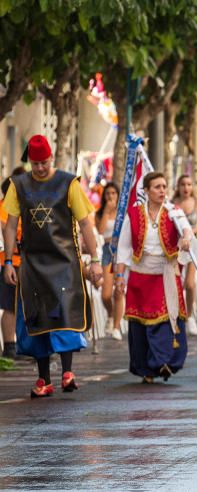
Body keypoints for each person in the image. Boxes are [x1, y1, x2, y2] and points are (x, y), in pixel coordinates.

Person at [3, 135, 103, 398]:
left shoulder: (68, 183)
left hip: (64, 261)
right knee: (36, 319)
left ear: (52, 158)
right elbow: (11, 225)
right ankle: (43, 379)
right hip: (32, 264)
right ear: (29, 162)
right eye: (35, 164)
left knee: (64, 316)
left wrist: (94, 260)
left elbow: (85, 224)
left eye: (44, 163)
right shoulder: (18, 185)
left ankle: (68, 373)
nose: (40, 169)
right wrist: (8, 261)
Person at [115, 172, 194, 383]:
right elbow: (123, 247)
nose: (162, 191)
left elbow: (187, 230)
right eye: (157, 187)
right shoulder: (133, 215)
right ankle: (146, 369)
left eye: (164, 186)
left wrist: (185, 239)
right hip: (141, 275)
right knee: (141, 324)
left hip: (166, 274)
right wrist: (120, 275)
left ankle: (164, 362)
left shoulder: (173, 212)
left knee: (168, 320)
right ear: (147, 191)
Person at [172, 174, 197, 336]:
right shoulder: (173, 205)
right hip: (176, 247)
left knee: (190, 284)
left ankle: (190, 316)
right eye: (183, 184)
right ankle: (176, 316)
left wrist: (189, 231)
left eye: (189, 184)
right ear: (178, 187)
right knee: (174, 283)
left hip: (192, 246)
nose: (186, 188)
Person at [0, 167, 25, 359]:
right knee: (9, 305)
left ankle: (27, 344)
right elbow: (4, 229)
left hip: (26, 262)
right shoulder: (3, 207)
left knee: (25, 305)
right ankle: (9, 346)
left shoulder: (24, 208)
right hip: (9, 262)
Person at [96, 183, 125, 340]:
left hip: (122, 251)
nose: (111, 196)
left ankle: (116, 327)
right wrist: (107, 212)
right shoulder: (100, 213)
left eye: (114, 193)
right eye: (107, 193)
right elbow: (100, 231)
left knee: (119, 291)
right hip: (107, 250)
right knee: (106, 294)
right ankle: (111, 314)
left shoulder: (123, 212)